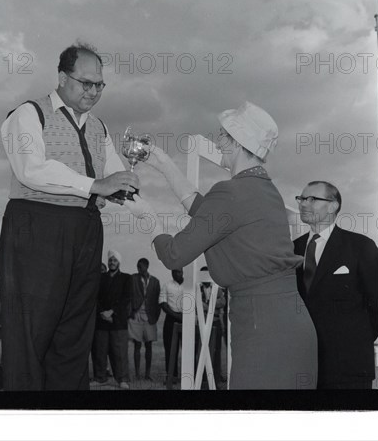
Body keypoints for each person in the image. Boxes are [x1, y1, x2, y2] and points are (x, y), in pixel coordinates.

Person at [126, 101, 318, 389]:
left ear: (238, 143)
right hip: (293, 323)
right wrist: (162, 162)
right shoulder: (267, 192)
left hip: (261, 326)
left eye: (224, 136)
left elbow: (174, 255)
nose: (219, 141)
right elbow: (205, 211)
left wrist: (148, 218)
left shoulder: (230, 192)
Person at [0, 42, 139, 390]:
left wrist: (122, 185)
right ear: (62, 77)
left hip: (86, 229)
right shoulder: (29, 113)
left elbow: (112, 173)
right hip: (36, 227)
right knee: (31, 334)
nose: (93, 91)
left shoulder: (99, 126)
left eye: (99, 85)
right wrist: (97, 184)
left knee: (75, 334)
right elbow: (31, 169)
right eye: (86, 83)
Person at [294, 181, 378, 389]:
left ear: (333, 206)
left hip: (348, 369)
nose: (304, 204)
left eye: (312, 199)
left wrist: (355, 341)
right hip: (301, 367)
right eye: (301, 199)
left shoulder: (360, 246)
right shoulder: (292, 249)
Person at [91, 250, 131, 389]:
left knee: (119, 352)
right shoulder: (100, 278)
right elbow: (95, 297)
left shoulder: (126, 278)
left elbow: (126, 299)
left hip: (118, 321)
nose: (112, 262)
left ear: (119, 262)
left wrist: (111, 312)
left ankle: (122, 379)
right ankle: (100, 378)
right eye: (110, 260)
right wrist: (103, 312)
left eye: (114, 260)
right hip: (101, 320)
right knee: (100, 350)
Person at [128, 258, 160, 381]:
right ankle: (137, 374)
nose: (138, 269)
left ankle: (147, 374)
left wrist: (155, 316)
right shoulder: (133, 278)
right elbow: (128, 295)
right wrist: (130, 312)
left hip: (149, 317)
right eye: (137, 266)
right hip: (136, 315)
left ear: (147, 266)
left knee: (149, 345)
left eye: (140, 266)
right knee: (137, 345)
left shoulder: (155, 281)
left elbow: (157, 300)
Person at [159, 268, 184, 380]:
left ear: (182, 272)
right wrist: (176, 315)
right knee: (170, 349)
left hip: (186, 319)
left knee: (188, 349)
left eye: (178, 271)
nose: (175, 274)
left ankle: (187, 376)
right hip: (171, 319)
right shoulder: (167, 285)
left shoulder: (189, 285)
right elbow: (163, 303)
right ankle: (171, 376)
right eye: (173, 272)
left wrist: (185, 316)